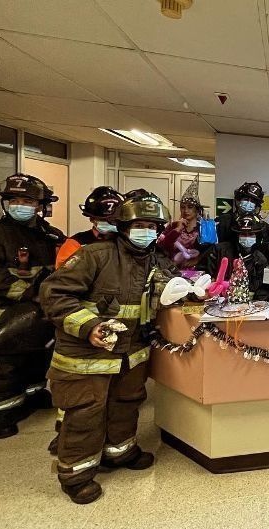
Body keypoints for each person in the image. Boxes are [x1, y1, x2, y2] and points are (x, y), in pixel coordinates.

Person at [40, 191, 177, 504]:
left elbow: (173, 288)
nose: (147, 231)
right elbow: (54, 295)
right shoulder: (94, 255)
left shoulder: (156, 261)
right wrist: (89, 327)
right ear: (124, 226)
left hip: (131, 354)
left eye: (153, 225)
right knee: (86, 412)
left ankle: (120, 451)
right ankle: (76, 473)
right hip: (87, 355)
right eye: (140, 224)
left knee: (126, 404)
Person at [0, 173, 65, 439]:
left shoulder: (50, 236)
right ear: (6, 203)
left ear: (40, 205)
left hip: (39, 313)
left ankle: (32, 397)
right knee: (5, 366)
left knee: (36, 358)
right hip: (3, 314)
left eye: (28, 200)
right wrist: (27, 292)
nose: (22, 205)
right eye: (16, 199)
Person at [50, 186, 124, 455]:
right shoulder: (78, 246)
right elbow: (59, 290)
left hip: (119, 339)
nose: (110, 225)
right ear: (92, 219)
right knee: (79, 402)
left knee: (115, 400)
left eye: (117, 221)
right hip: (81, 336)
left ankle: (115, 450)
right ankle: (66, 441)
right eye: (105, 220)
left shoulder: (127, 247)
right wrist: (87, 325)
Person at [199, 213, 269, 302]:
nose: (247, 237)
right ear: (237, 235)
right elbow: (202, 274)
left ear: (257, 237)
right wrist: (205, 289)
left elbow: (262, 289)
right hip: (215, 301)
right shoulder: (219, 250)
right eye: (243, 234)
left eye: (250, 234)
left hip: (245, 303)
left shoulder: (260, 260)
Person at [56, 186, 124, 268]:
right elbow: (63, 276)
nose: (109, 223)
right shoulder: (75, 244)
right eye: (103, 220)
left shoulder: (127, 241)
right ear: (92, 218)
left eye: (113, 219)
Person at [157, 181, 207, 269]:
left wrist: (198, 259)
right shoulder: (173, 226)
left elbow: (209, 250)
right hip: (171, 269)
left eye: (190, 207)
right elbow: (162, 246)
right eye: (183, 207)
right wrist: (177, 230)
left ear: (197, 210)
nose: (186, 210)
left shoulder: (203, 228)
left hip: (196, 270)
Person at [216, 181, 269, 251]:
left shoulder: (262, 226)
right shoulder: (223, 221)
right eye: (246, 199)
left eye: (253, 201)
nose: (248, 203)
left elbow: (267, 254)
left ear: (257, 205)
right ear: (238, 200)